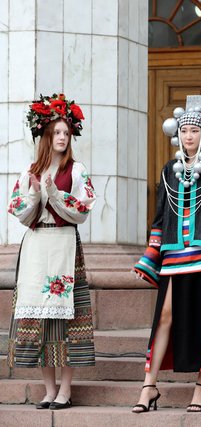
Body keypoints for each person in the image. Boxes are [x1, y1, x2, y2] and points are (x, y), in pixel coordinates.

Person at [132, 96, 201, 413]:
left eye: (194, 130)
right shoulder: (168, 172)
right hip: (173, 257)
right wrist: (152, 254)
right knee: (164, 317)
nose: (189, 136)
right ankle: (149, 386)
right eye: (184, 131)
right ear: (177, 135)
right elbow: (161, 217)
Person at [7, 93, 95, 410]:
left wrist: (56, 195)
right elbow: (19, 212)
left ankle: (66, 390)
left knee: (65, 320)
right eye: (56, 132)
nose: (61, 138)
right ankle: (49, 389)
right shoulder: (29, 171)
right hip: (36, 246)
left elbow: (83, 208)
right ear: (45, 135)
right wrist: (34, 193)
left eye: (66, 133)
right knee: (41, 319)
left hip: (64, 246)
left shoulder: (77, 169)